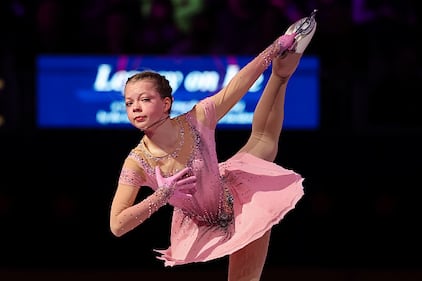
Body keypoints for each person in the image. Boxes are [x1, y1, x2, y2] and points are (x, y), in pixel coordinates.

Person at [110, 10, 317, 281]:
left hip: (238, 200)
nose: (135, 107)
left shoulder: (197, 119)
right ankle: (282, 73)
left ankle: (282, 72)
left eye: (144, 99)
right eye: (129, 103)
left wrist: (275, 47)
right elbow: (117, 225)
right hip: (201, 226)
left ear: (166, 104)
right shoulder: (137, 162)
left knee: (264, 141)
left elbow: (237, 85)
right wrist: (162, 195)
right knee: (262, 142)